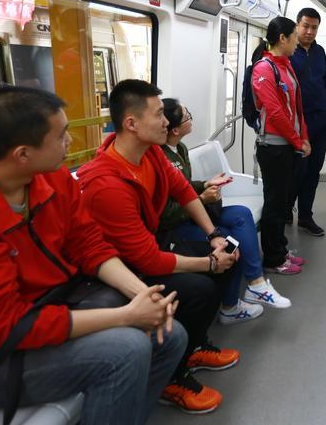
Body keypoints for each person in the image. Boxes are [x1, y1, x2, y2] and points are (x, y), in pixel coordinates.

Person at [0, 86, 184, 425]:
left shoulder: (51, 179)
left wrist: (143, 297)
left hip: (42, 308)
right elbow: (5, 326)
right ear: (22, 154)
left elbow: (88, 244)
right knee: (127, 351)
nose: (70, 142)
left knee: (171, 337)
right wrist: (125, 316)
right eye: (61, 136)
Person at [78, 79, 241, 415]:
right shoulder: (106, 184)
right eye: (158, 114)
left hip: (149, 246)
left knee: (227, 258)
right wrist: (209, 264)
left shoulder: (150, 153)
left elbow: (183, 191)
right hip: (124, 268)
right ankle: (173, 377)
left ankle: (194, 346)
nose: (166, 122)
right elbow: (147, 260)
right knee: (200, 289)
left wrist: (214, 236)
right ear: (131, 123)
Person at [158, 97, 293, 315]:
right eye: (187, 116)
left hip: (196, 210)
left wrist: (206, 184)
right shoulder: (159, 157)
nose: (191, 119)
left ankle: (256, 283)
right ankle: (230, 307)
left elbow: (184, 186)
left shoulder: (179, 148)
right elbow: (167, 212)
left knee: (241, 213)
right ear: (174, 129)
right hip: (179, 223)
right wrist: (203, 199)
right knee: (231, 241)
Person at [251, 16, 311, 274]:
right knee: (274, 204)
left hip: (288, 144)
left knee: (283, 201)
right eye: (295, 36)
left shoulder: (286, 66)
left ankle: (281, 248)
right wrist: (297, 141)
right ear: (283, 38)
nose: (298, 41)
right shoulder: (263, 69)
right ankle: (273, 259)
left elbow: (297, 107)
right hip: (274, 147)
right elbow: (275, 112)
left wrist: (303, 136)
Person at [287, 7, 326, 237]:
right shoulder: (288, 50)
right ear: (297, 25)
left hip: (321, 121)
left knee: (313, 171)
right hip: (297, 123)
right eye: (306, 26)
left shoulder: (319, 51)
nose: (310, 31)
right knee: (297, 171)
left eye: (314, 27)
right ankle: (287, 209)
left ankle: (305, 215)